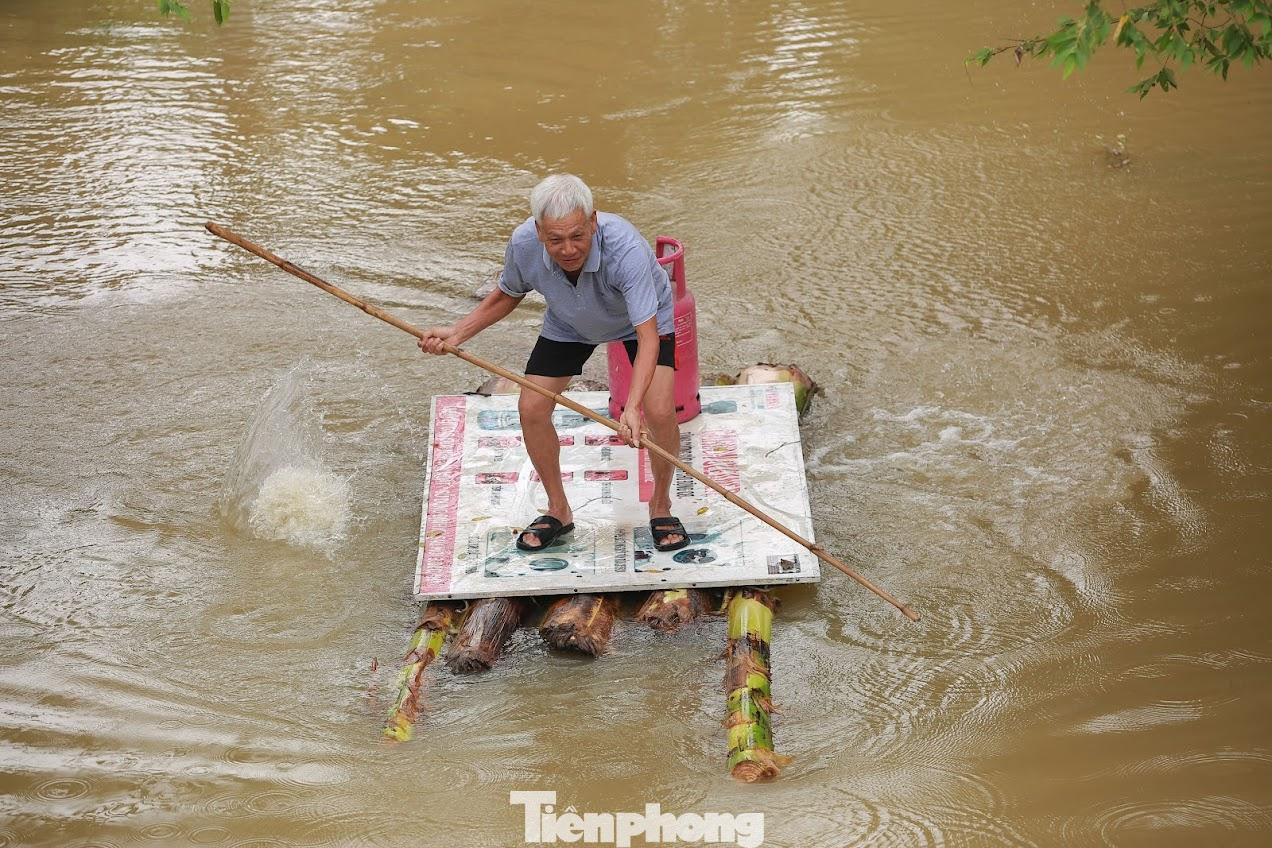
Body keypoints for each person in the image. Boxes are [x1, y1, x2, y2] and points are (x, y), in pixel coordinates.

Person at [418, 174, 688, 553]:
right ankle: (558, 509)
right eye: (555, 239)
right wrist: (456, 333)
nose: (568, 249)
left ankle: (660, 503)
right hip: (569, 320)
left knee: (659, 410)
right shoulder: (524, 242)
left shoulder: (625, 247)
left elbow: (646, 337)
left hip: (639, 321)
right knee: (531, 407)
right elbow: (506, 294)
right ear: (538, 230)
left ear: (593, 221)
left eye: (578, 236)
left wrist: (631, 407)